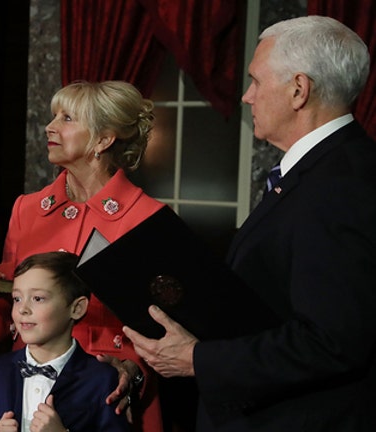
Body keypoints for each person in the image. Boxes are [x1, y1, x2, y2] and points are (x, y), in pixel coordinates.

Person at [122, 15, 376, 431]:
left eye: (256, 81)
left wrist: (197, 358)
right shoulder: (325, 168)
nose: (245, 96)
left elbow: (331, 342)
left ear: (299, 90)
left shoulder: (341, 187)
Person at [0, 81, 166, 432]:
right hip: (22, 387)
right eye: (52, 116)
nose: (50, 126)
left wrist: (134, 369)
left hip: (104, 394)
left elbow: (165, 323)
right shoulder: (27, 209)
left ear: (104, 139)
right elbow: (11, 305)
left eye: (67, 118)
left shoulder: (147, 218)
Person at [0, 251, 130, 432]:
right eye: (17, 299)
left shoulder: (101, 378)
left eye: (38, 298)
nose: (23, 309)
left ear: (76, 308)